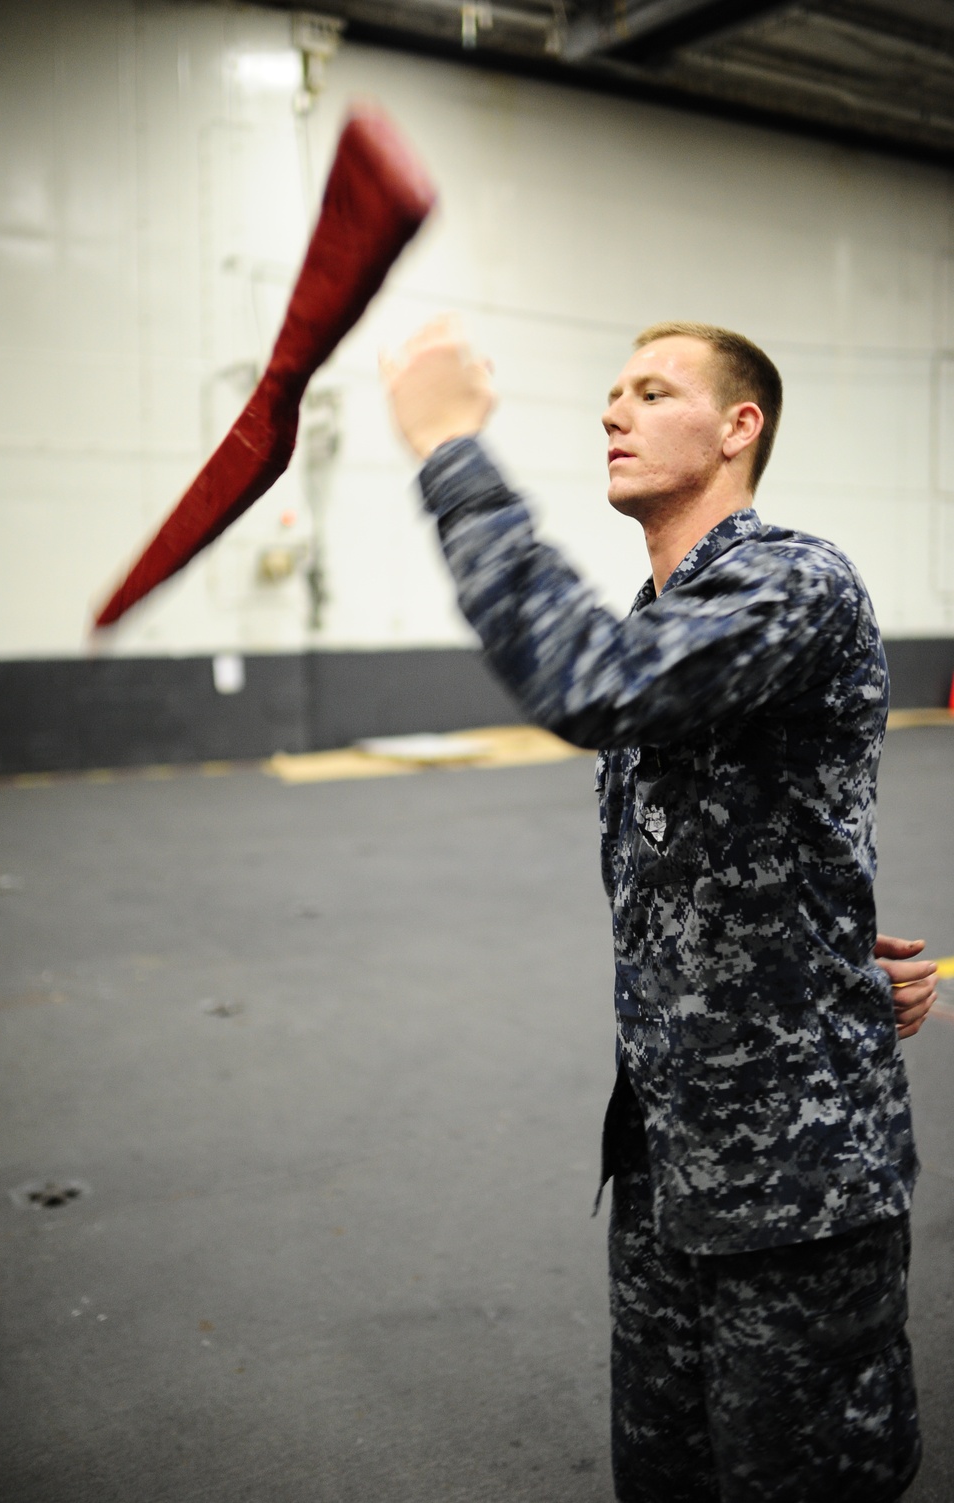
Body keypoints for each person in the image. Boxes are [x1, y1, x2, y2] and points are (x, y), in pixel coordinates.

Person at [381, 317, 938, 1502]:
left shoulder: (798, 577)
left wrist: (448, 447)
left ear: (740, 428)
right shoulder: (667, 615)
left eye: (650, 390)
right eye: (611, 392)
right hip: (671, 1165)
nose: (611, 413)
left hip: (798, 1188)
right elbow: (742, 842)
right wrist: (828, 955)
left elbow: (585, 682)